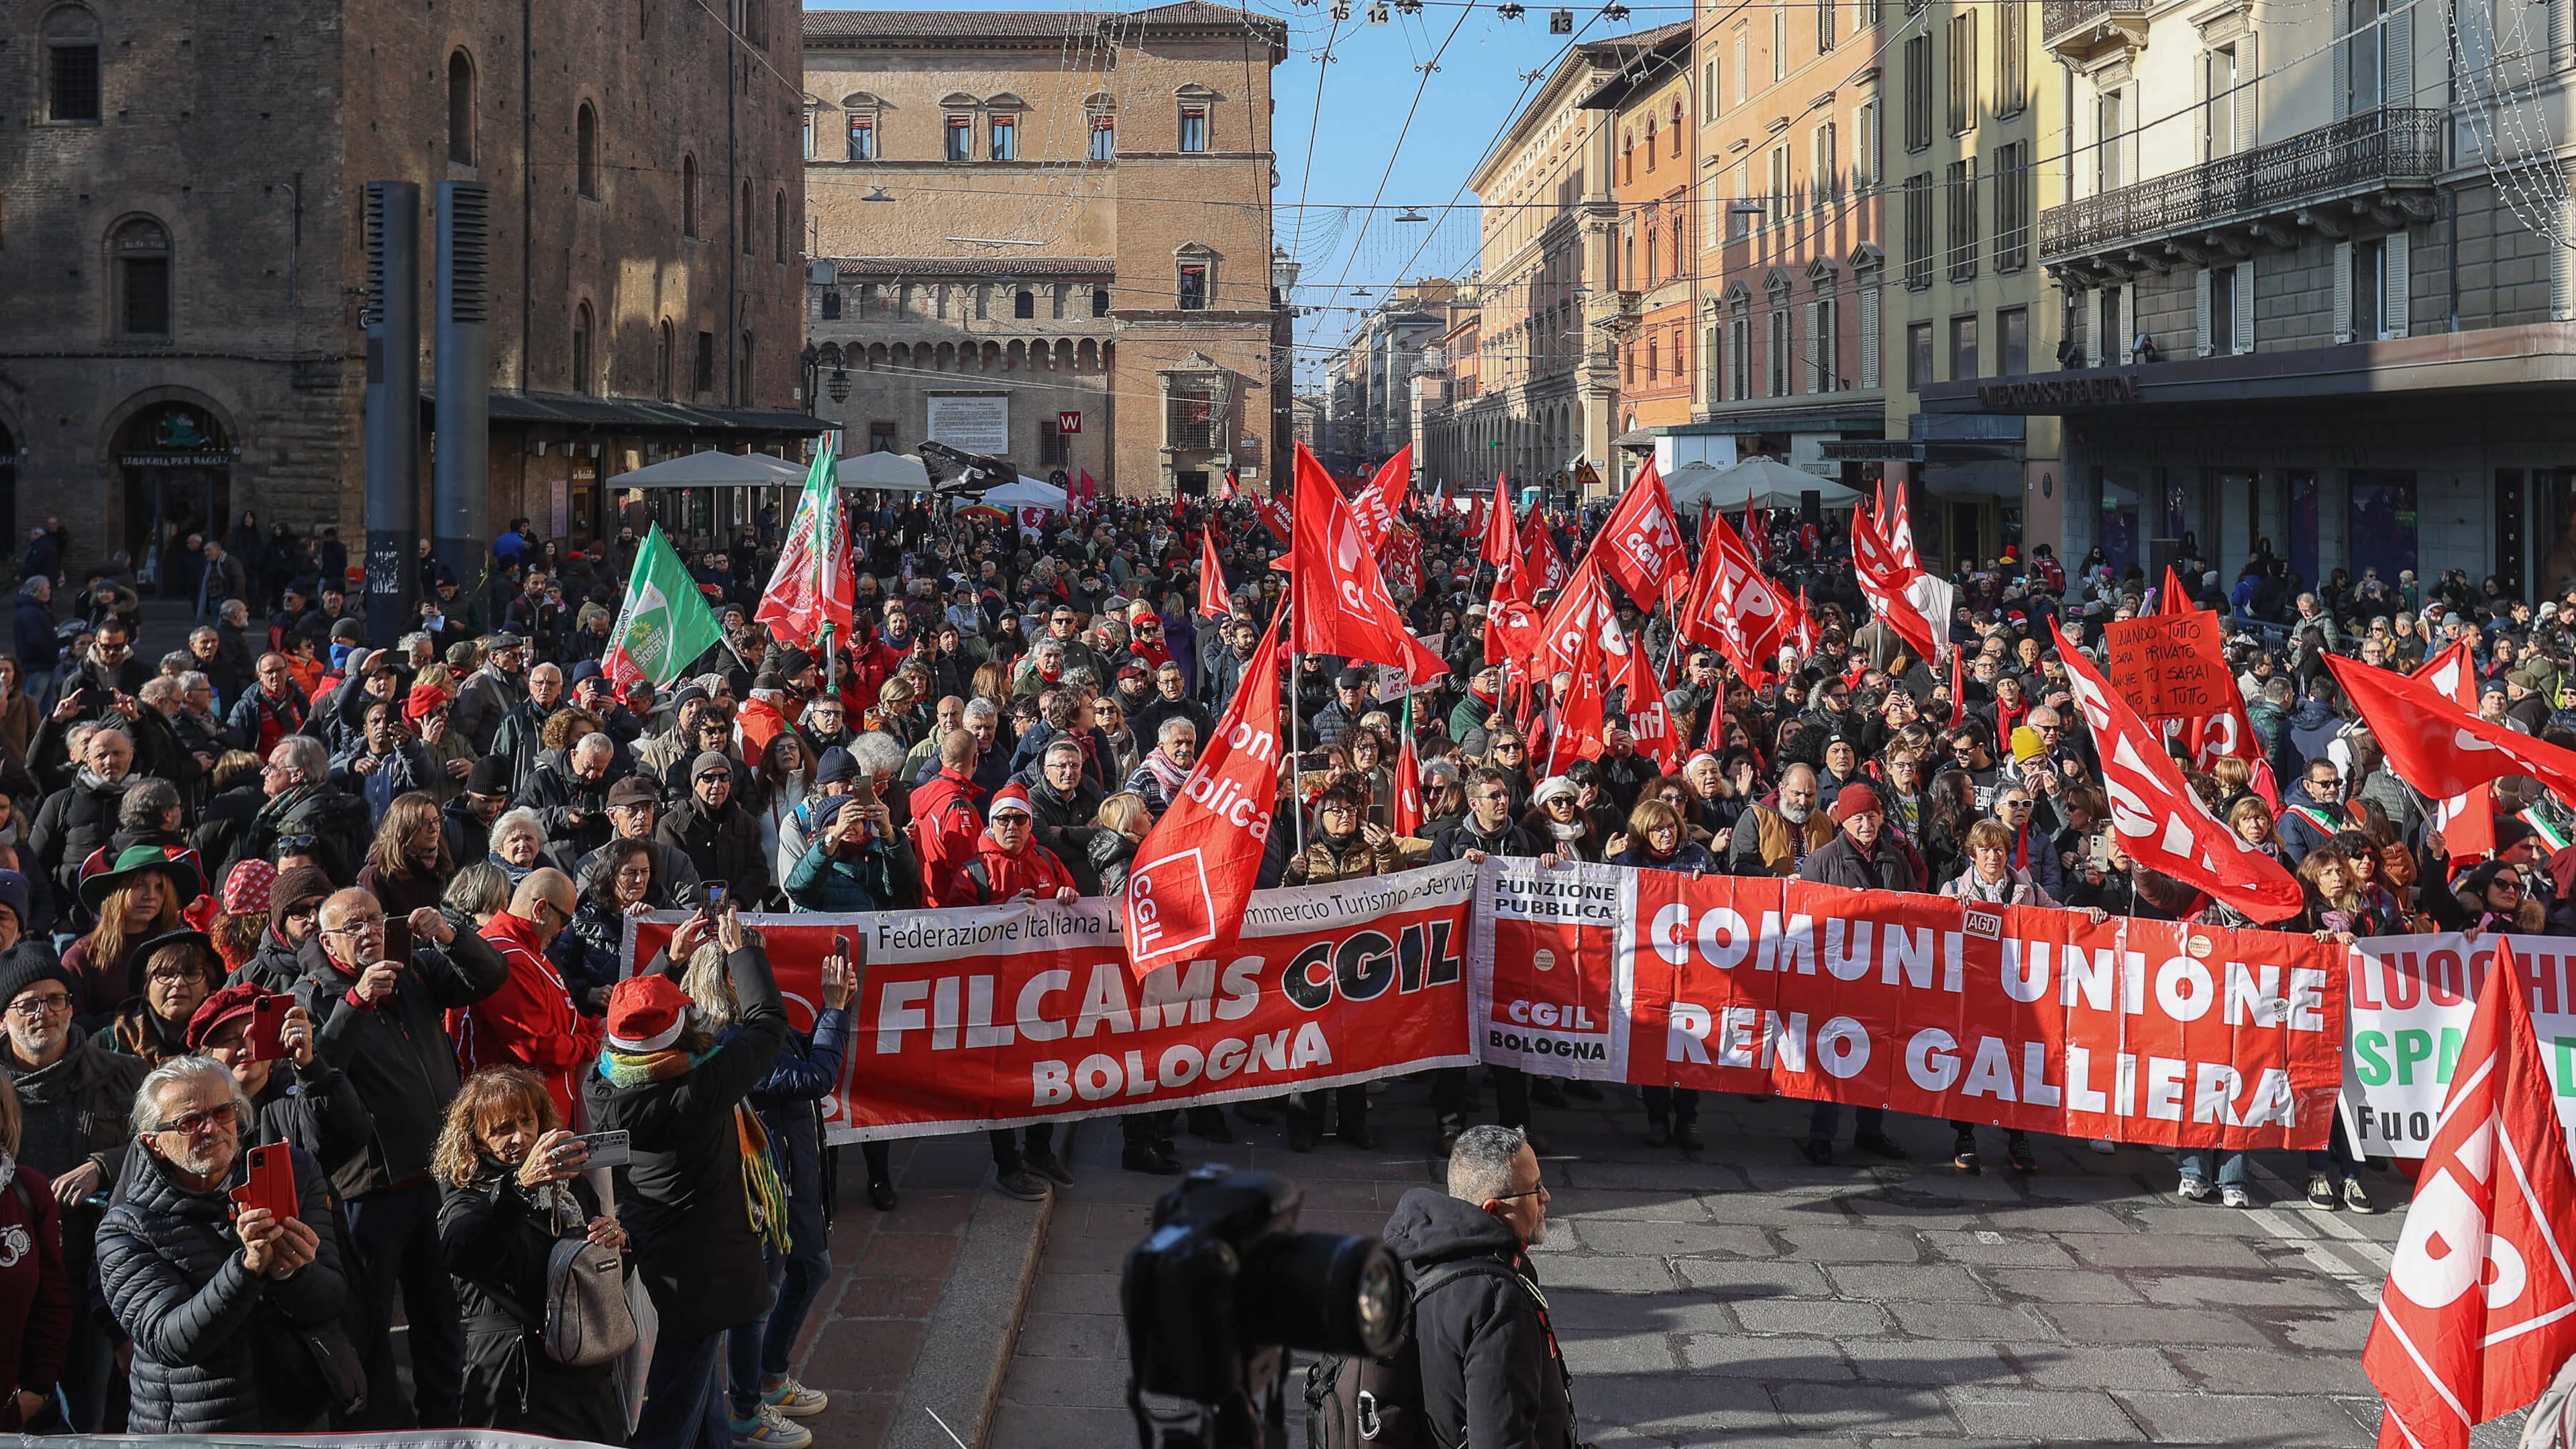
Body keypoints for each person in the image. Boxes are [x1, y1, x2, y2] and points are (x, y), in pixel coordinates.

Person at [298, 885, 511, 1428]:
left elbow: (489, 978)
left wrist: (450, 936)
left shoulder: (411, 971)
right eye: (353, 926)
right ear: (328, 941)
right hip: (370, 1190)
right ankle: (377, 1432)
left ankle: (444, 1427)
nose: (368, 931)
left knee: (440, 1316)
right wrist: (357, 1001)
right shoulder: (314, 994)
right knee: (369, 1325)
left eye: (374, 918)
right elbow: (317, 1071)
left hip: (438, 1177)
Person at [588, 907, 789, 1449]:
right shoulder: (696, 1091)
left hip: (655, 1257)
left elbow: (626, 1029)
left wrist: (666, 964)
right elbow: (769, 1020)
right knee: (674, 1407)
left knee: (698, 1393)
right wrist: (743, 950)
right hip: (701, 1273)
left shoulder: (602, 1082)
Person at [96, 1055, 350, 1434]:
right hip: (197, 1430)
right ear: (154, 1143)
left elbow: (331, 1301)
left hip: (298, 1415)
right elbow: (171, 1341)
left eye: (223, 1112)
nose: (212, 1129)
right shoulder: (127, 1227)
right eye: (189, 1122)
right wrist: (246, 1269)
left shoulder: (294, 1174)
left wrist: (293, 1273)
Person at [690, 936, 856, 1433]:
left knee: (812, 1270)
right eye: (752, 968)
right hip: (763, 1193)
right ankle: (746, 1411)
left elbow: (802, 1052)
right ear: (726, 981)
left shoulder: (757, 1024)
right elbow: (813, 1077)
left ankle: (770, 1376)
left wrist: (835, 1010)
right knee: (757, 1298)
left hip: (794, 1178)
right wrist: (832, 1010)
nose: (767, 979)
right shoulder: (727, 1040)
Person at [431, 1067, 628, 1442]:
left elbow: (598, 1275)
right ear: (475, 1138)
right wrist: (519, 1186)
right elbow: (462, 1251)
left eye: (527, 1121)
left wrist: (617, 1244)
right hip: (516, 1383)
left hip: (584, 1377)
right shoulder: (466, 1197)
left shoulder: (571, 1187)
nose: (520, 1137)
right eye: (503, 1128)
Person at [1378, 1126, 1575, 1449]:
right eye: (1535, 1188)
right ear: (1492, 1209)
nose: (1546, 1197)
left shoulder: (1410, 1257)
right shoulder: (1498, 1303)